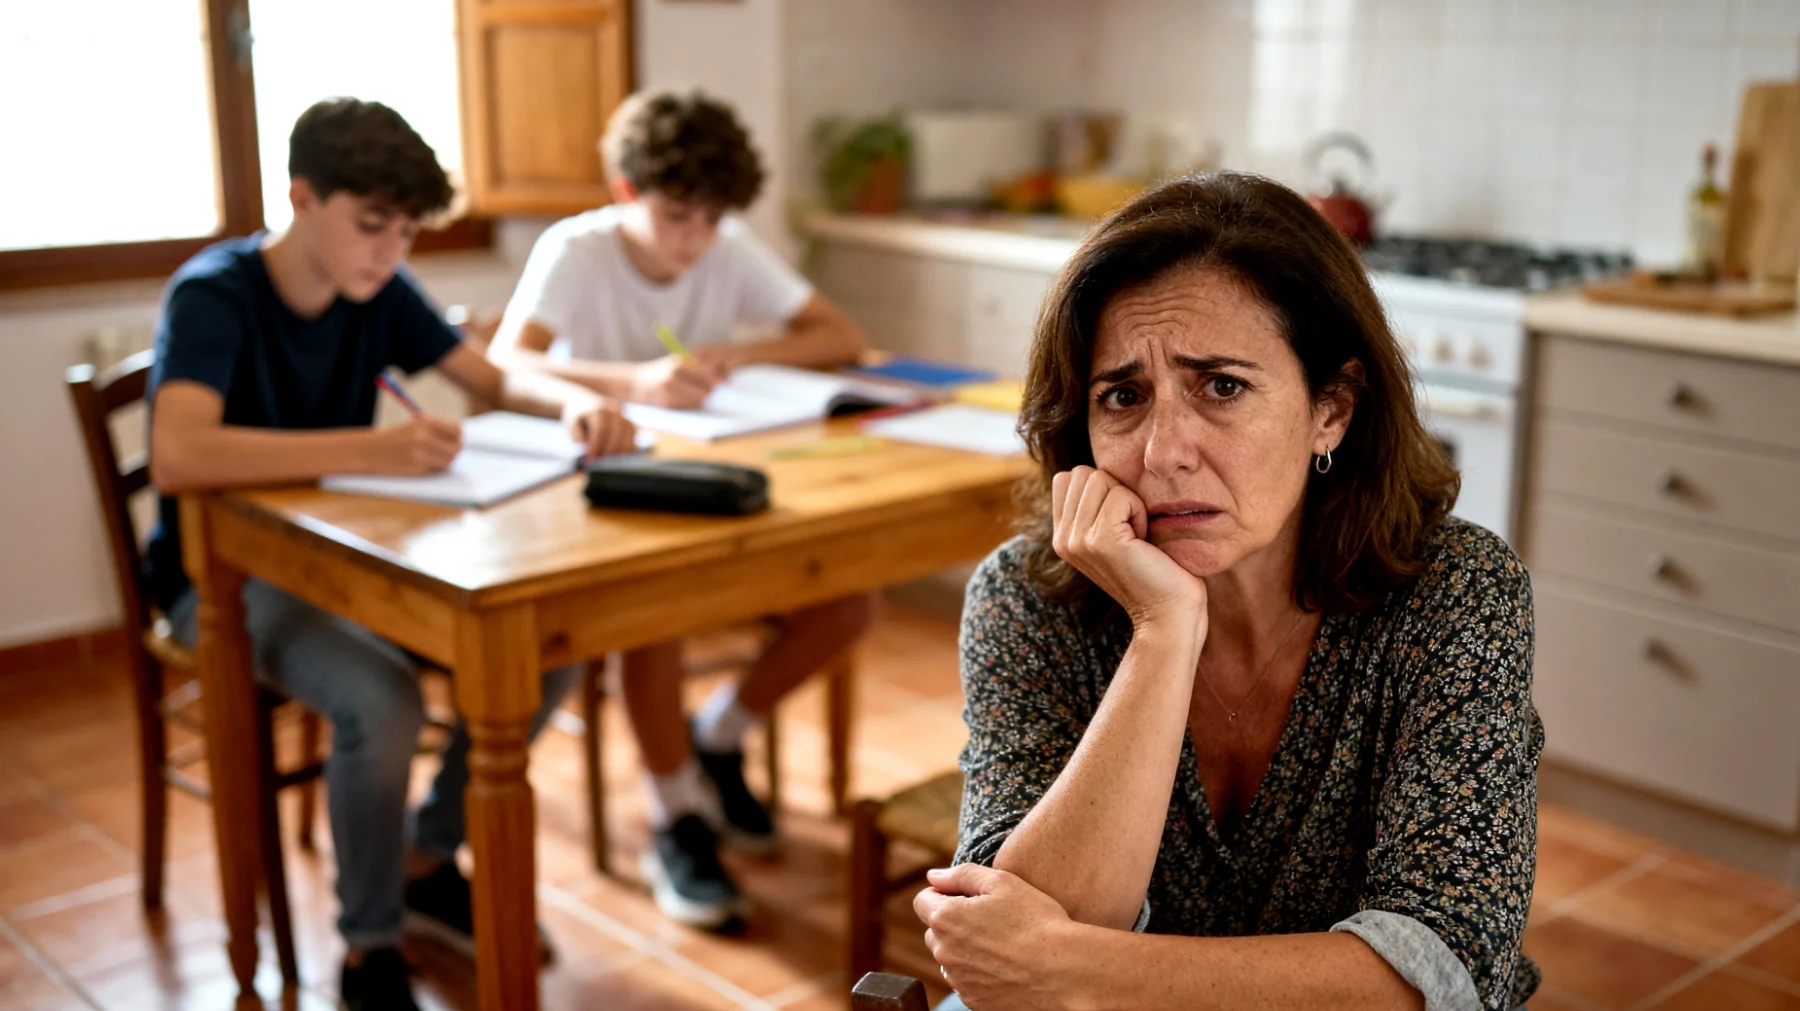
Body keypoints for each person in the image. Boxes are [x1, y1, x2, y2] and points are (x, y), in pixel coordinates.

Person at [913, 173, 1543, 1011]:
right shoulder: (1029, 600)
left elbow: (1439, 972)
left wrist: (1073, 967)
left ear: (1332, 408)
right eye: (1123, 396)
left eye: (1222, 386)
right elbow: (1008, 967)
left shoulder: (1456, 593)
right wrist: (1164, 628)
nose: (1164, 451)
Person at [145, 98, 638, 1011]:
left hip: (344, 567)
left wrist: (564, 403)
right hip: (221, 581)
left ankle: (422, 854)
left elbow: (490, 376)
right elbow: (179, 453)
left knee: (549, 646)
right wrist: (366, 449)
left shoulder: (381, 289)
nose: (389, 250)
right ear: (301, 198)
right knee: (383, 697)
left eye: (406, 231)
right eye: (372, 225)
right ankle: (369, 946)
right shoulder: (213, 293)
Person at [488, 88, 877, 929]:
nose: (694, 239)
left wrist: (738, 353)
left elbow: (838, 334)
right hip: (608, 493)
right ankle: (676, 813)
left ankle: (720, 732)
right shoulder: (577, 249)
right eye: (675, 216)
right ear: (628, 191)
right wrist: (633, 382)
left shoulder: (726, 246)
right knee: (653, 613)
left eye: (709, 218)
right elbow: (503, 366)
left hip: (719, 481)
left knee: (850, 596)